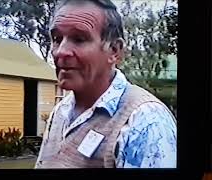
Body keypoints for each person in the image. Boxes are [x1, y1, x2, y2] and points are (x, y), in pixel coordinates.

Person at [35, 0, 176, 168]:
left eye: (79, 39)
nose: (60, 51)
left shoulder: (145, 121)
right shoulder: (61, 111)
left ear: (114, 51)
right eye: (57, 39)